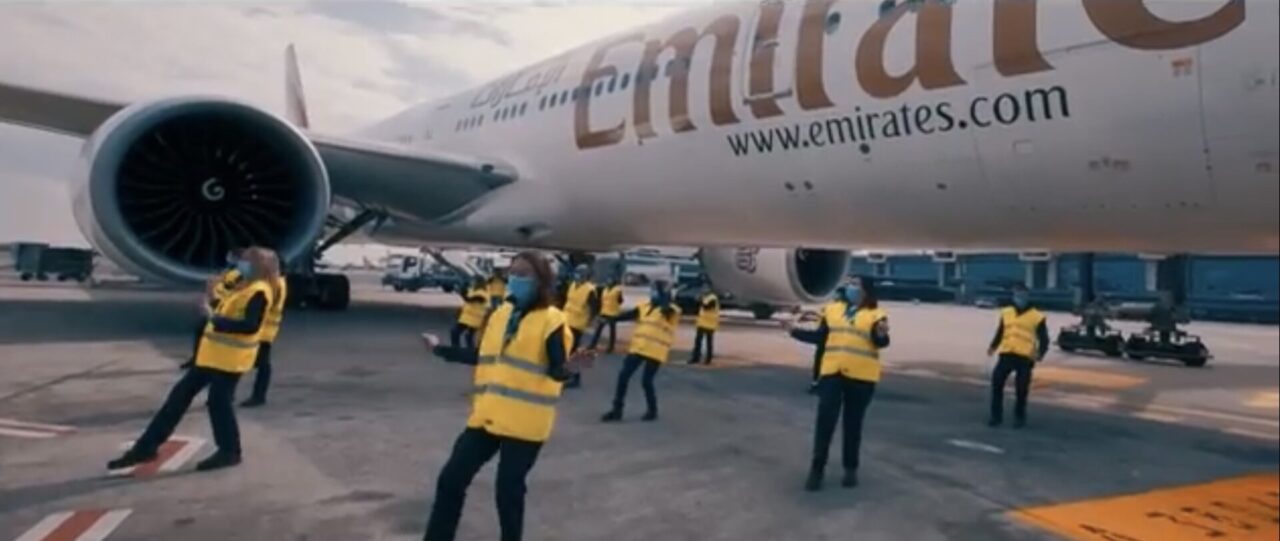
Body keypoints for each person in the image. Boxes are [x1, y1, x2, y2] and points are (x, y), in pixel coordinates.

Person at [420, 251, 594, 541]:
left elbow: (556, 371)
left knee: (508, 491)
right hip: (487, 417)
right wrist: (440, 349)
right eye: (513, 273)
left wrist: (570, 368)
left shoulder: (552, 320)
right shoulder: (500, 315)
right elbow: (482, 356)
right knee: (451, 479)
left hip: (525, 424)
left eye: (524, 274)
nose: (515, 279)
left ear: (541, 281)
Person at [108, 247, 278, 472]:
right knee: (178, 400)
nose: (240, 265)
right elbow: (231, 311)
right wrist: (213, 302)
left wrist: (213, 318)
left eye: (246, 261)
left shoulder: (259, 291)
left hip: (229, 360)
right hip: (210, 357)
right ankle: (145, 448)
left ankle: (230, 451)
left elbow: (250, 326)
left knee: (217, 404)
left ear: (258, 265)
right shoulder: (243, 286)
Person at [786, 276, 890, 491]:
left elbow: (881, 342)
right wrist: (793, 331)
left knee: (853, 425)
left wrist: (881, 335)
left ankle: (850, 468)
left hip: (862, 377)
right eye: (850, 284)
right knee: (825, 422)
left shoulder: (876, 315)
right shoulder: (832, 310)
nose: (851, 288)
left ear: (866, 291)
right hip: (832, 373)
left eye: (856, 285)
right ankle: (816, 469)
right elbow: (820, 337)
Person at [601, 280, 682, 423]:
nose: (653, 294)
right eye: (652, 291)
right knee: (623, 376)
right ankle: (617, 410)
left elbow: (665, 309)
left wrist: (664, 293)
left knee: (646, 381)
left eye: (656, 291)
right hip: (639, 347)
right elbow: (627, 315)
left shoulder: (673, 310)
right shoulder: (644, 307)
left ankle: (652, 410)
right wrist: (609, 320)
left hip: (655, 351)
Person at [987, 284, 1049, 429]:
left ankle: (1019, 417)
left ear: (1028, 296)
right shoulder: (1006, 312)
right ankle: (996, 417)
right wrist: (993, 346)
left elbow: (1044, 338)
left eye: (1022, 295)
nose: (1019, 298)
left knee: (1021, 390)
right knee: (997, 384)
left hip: (1025, 357)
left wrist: (1041, 353)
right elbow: (1001, 331)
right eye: (1017, 294)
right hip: (1007, 354)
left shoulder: (1037, 316)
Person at [182, 249, 244, 369]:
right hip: (216, 306)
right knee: (201, 330)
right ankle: (197, 359)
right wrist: (209, 294)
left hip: (226, 309)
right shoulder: (228, 271)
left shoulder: (239, 275)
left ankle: (209, 361)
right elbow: (219, 287)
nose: (229, 259)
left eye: (232, 257)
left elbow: (232, 291)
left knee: (215, 335)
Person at [241, 251, 288, 408]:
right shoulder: (278, 282)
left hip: (262, 331)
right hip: (265, 330)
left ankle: (258, 396)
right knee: (261, 364)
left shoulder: (272, 285)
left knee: (260, 364)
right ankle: (258, 395)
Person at [561, 264, 599, 388]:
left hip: (577, 325)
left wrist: (590, 321)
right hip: (566, 321)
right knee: (566, 350)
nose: (577, 275)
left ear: (585, 275)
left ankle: (575, 379)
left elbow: (595, 308)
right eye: (576, 272)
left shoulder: (589, 290)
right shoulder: (573, 285)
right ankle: (566, 375)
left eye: (580, 273)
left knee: (574, 352)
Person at [451, 276, 492, 349]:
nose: (472, 283)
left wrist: (462, 292)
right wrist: (463, 290)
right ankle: (470, 350)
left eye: (474, 281)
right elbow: (467, 298)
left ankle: (457, 348)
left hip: (473, 318)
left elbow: (469, 299)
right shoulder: (474, 291)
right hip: (469, 317)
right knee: (468, 336)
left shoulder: (482, 294)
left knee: (456, 332)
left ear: (479, 283)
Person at [589, 276, 624, 353]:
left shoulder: (617, 290)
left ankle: (611, 347)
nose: (608, 281)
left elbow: (621, 301)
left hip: (612, 313)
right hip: (604, 312)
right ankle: (593, 344)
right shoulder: (605, 290)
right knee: (598, 329)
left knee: (612, 331)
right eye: (608, 280)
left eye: (610, 280)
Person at [687, 281, 719, 365]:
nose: (704, 289)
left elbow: (707, 307)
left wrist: (700, 300)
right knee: (698, 341)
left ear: (710, 289)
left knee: (709, 342)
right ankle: (696, 357)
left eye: (706, 288)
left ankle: (708, 359)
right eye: (703, 288)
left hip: (710, 323)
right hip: (702, 323)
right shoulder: (704, 297)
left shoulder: (713, 298)